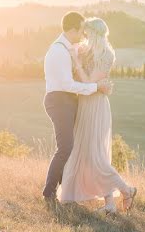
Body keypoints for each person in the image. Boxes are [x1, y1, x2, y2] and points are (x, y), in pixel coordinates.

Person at [59, 17, 137, 213]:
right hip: (83, 104)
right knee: (87, 155)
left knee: (97, 157)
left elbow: (89, 84)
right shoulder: (86, 51)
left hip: (96, 106)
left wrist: (77, 64)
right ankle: (110, 205)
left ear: (94, 34)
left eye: (87, 33)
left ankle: (127, 190)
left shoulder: (106, 55)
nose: (84, 36)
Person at [41, 11, 111, 201]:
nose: (82, 36)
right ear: (72, 30)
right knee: (65, 148)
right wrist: (96, 86)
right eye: (80, 31)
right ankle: (49, 192)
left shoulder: (67, 48)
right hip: (60, 100)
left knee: (71, 148)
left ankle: (67, 191)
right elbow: (67, 85)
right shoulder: (59, 51)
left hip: (67, 100)